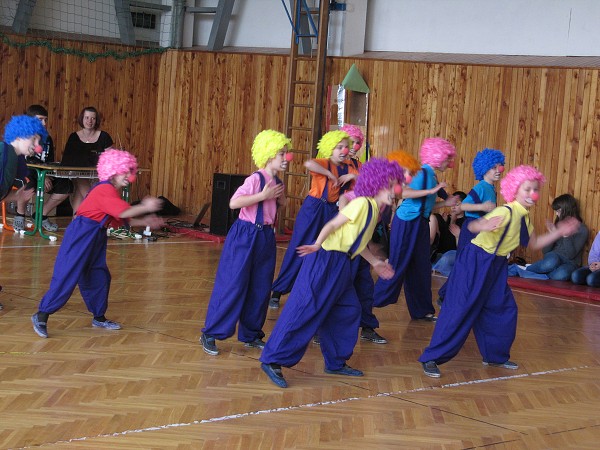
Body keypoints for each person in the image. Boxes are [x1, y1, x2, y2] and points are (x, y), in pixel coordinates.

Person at [419, 165, 581, 378]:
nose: (533, 194)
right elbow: (472, 227)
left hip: (496, 265)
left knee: (503, 308)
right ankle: (431, 357)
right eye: (527, 189)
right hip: (476, 261)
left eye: (535, 189)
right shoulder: (505, 211)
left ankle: (495, 356)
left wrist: (559, 231)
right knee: (460, 308)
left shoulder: (524, 217)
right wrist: (483, 226)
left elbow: (535, 243)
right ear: (514, 190)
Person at [260, 158, 403, 388]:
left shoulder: (374, 210)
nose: (396, 191)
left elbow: (357, 243)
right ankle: (272, 359)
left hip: (342, 264)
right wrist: (317, 245)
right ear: (377, 184)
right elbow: (332, 225)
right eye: (391, 185)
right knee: (305, 308)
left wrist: (375, 262)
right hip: (326, 259)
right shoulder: (362, 204)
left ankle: (335, 362)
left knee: (348, 309)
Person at [31, 149, 163, 338]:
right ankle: (42, 314)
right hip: (81, 234)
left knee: (98, 276)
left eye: (130, 172)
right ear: (113, 170)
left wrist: (146, 222)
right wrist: (145, 207)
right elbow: (123, 212)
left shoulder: (111, 193)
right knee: (67, 274)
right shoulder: (104, 189)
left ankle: (99, 317)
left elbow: (120, 218)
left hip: (96, 235)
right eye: (126, 171)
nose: (129, 176)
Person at [200, 130, 292, 355]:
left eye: (286, 153)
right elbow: (234, 203)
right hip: (245, 235)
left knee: (260, 287)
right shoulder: (256, 179)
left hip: (265, 237)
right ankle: (211, 332)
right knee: (232, 284)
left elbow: (277, 206)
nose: (286, 158)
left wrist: (280, 200)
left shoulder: (277, 181)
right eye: (282, 154)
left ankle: (251, 334)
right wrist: (262, 196)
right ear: (269, 154)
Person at [373, 138, 458, 321]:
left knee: (421, 267)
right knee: (398, 264)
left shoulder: (432, 176)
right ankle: (370, 301)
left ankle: (422, 310)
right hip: (407, 223)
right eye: (447, 158)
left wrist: (446, 203)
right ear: (437, 157)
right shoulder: (422, 174)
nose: (449, 163)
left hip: (420, 223)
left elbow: (426, 206)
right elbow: (402, 193)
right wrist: (430, 192)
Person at [269, 130, 356, 309]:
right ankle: (278, 291)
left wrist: (353, 175)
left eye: (346, 147)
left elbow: (367, 178)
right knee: (298, 247)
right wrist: (330, 174)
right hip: (313, 208)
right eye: (339, 147)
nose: (344, 151)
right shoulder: (325, 163)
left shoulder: (350, 167)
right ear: (329, 149)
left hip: (332, 211)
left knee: (323, 250)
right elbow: (309, 163)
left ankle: (310, 293)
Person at [437, 148, 505, 304]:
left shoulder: (490, 188)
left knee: (470, 266)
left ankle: (460, 296)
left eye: (499, 166)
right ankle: (445, 295)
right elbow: (464, 206)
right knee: (464, 265)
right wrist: (483, 207)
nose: (498, 170)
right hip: (471, 229)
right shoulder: (481, 187)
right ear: (484, 168)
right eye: (493, 167)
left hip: (480, 229)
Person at [1, 115, 47, 310]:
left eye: (39, 141)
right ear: (20, 135)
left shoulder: (17, 161)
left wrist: (18, 198)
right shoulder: (3, 151)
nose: (38, 146)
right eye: (34, 139)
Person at [14, 105, 72, 232]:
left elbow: (49, 160)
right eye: (40, 119)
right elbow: (24, 160)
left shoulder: (48, 138)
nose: (44, 123)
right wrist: (43, 176)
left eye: (45, 120)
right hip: (24, 172)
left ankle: (41, 215)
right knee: (28, 183)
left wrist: (48, 174)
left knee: (65, 186)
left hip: (43, 173)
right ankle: (20, 214)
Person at [62, 106, 114, 213]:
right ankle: (94, 203)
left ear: (96, 120)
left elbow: (111, 158)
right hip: (78, 174)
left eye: (93, 118)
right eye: (86, 118)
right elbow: (67, 158)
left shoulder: (104, 136)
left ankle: (76, 219)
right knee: (81, 179)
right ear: (82, 119)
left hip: (98, 175)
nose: (89, 121)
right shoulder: (74, 137)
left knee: (79, 195)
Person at [526, 194, 588, 281]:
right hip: (554, 257)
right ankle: (527, 269)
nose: (556, 214)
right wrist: (553, 235)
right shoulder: (558, 225)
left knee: (561, 274)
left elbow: (571, 255)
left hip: (571, 263)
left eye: (558, 210)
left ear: (567, 209)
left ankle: (541, 273)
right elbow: (545, 251)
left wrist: (566, 235)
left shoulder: (582, 229)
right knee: (551, 262)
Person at [430, 190, 467, 262]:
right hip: (439, 251)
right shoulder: (446, 217)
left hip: (452, 253)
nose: (453, 207)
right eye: (452, 204)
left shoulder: (465, 222)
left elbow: (460, 246)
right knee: (435, 217)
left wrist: (458, 235)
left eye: (457, 205)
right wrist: (446, 221)